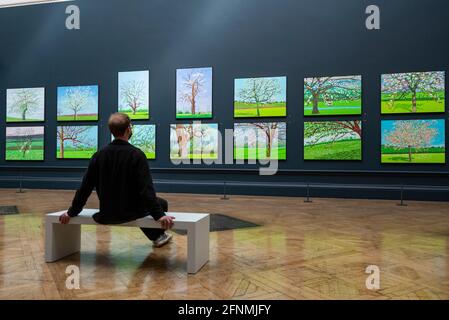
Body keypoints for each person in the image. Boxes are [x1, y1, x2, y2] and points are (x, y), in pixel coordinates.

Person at [59, 112, 175, 248]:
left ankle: (158, 236)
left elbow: (85, 188)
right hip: (130, 212)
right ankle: (157, 236)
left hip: (107, 212)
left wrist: (72, 212)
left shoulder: (99, 155)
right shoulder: (137, 155)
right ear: (128, 130)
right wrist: (159, 215)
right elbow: (146, 190)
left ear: (112, 131)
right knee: (161, 204)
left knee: (159, 203)